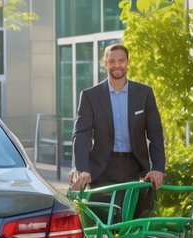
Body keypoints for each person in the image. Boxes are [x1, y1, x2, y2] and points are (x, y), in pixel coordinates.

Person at [69, 43, 165, 217]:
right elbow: (81, 134)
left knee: (135, 221)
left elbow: (155, 134)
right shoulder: (90, 96)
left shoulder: (144, 94)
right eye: (112, 61)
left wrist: (157, 167)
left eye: (121, 60)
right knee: (108, 221)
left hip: (136, 169)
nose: (117, 65)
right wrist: (82, 169)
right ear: (105, 63)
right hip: (103, 170)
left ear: (127, 62)